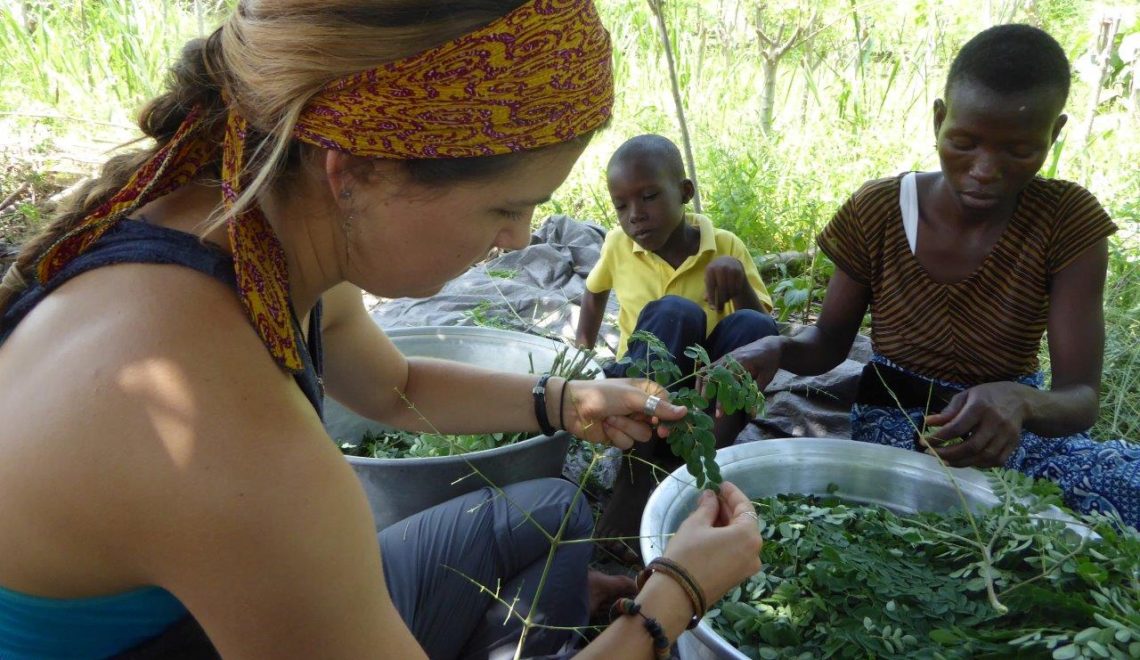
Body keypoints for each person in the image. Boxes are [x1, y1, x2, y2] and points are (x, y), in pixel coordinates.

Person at [0, 1, 764, 657]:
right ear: (353, 171)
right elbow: (270, 484)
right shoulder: (226, 441)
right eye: (505, 208)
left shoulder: (245, 227)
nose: (524, 241)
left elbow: (395, 387)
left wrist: (572, 400)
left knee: (547, 512)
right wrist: (672, 598)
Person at [725, 24, 1140, 529]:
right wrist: (779, 349)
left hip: (1012, 427)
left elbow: (1082, 399)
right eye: (964, 142)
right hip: (898, 422)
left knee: (1119, 497)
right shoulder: (877, 211)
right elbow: (829, 343)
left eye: (1020, 150)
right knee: (920, 516)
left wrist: (1021, 400)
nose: (985, 169)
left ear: (1054, 134)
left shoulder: (1066, 222)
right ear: (939, 120)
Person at [576, 134, 778, 555]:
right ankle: (638, 475)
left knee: (752, 325)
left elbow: (765, 329)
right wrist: (582, 352)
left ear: (685, 192)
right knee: (674, 312)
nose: (635, 216)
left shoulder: (725, 247)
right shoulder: (618, 245)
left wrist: (738, 280)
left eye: (649, 197)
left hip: (707, 392)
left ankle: (700, 470)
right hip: (643, 385)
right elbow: (594, 292)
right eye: (621, 206)